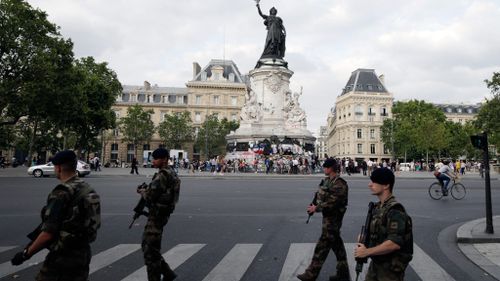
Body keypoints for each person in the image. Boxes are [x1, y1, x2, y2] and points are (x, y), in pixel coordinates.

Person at [11, 150, 101, 281]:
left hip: (63, 258)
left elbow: (48, 233)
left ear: (58, 168)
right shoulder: (87, 188)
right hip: (83, 254)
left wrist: (26, 254)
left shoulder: (62, 193)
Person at [354, 168, 413, 281]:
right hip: (377, 263)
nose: (369, 185)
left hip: (390, 269)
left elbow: (394, 243)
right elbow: (379, 233)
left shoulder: (395, 210)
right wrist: (365, 238)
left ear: (386, 185)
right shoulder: (378, 207)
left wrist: (367, 252)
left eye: (374, 181)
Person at [297, 158, 350, 281]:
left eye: (325, 167)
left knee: (321, 248)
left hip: (333, 221)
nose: (324, 169)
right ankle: (343, 274)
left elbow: (333, 203)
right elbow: (320, 196)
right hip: (327, 219)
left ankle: (311, 274)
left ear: (331, 168)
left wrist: (316, 208)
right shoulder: (327, 181)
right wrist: (314, 205)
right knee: (338, 248)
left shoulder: (339, 184)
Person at [137, 148, 180, 281]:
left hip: (156, 216)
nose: (153, 161)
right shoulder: (172, 173)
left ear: (164, 159)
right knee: (149, 247)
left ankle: (158, 277)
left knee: (150, 252)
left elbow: (150, 196)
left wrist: (142, 191)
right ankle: (168, 273)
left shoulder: (162, 175)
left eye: (155, 159)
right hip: (162, 214)